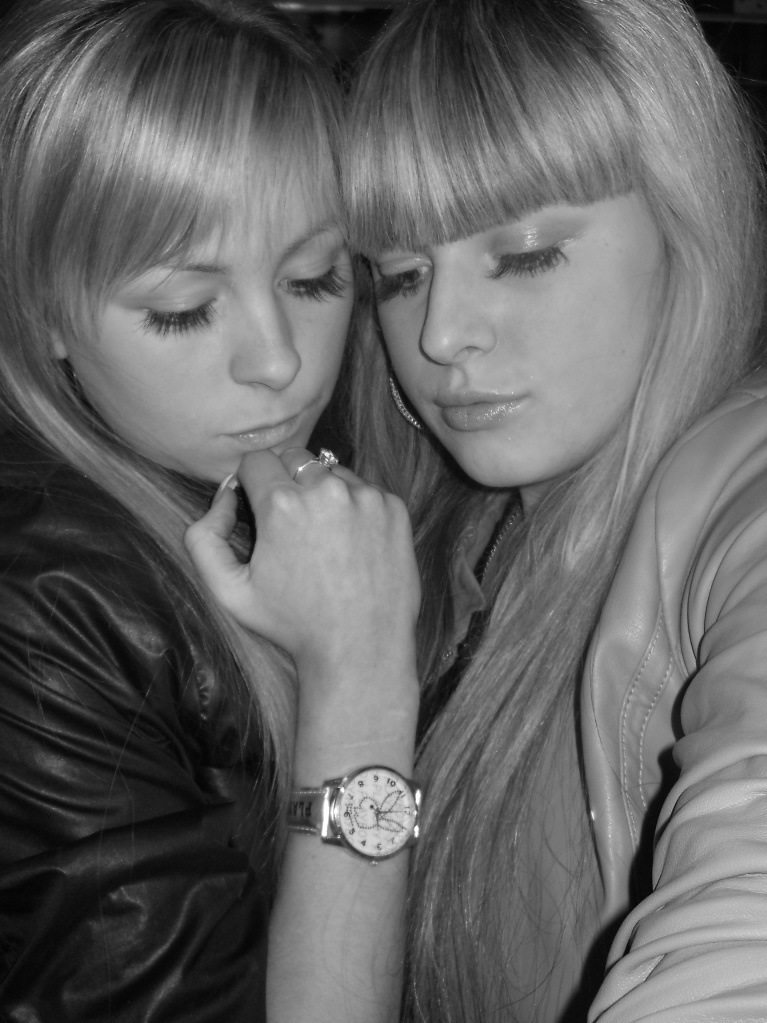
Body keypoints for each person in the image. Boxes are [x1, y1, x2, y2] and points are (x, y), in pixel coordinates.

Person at [192, 0, 767, 1021]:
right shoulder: (438, 530)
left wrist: (356, 688)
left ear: (687, 222)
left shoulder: (740, 490)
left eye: (525, 254)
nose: (440, 334)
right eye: (402, 275)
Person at [0, 1, 420, 1020]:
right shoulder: (42, 613)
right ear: (43, 313)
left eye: (314, 279)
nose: (277, 362)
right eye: (183, 310)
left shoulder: (291, 466)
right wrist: (362, 682)